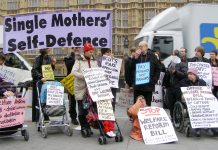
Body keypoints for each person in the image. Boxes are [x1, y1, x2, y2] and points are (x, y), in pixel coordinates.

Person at [176, 67, 206, 137]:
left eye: (191, 74)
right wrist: (182, 94)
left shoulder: (202, 82)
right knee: (195, 109)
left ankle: (214, 128)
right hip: (188, 102)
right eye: (188, 74)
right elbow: (177, 90)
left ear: (195, 75)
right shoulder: (183, 82)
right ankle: (197, 128)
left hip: (201, 101)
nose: (189, 75)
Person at [130, 41, 161, 105]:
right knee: (136, 106)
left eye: (141, 46)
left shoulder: (153, 56)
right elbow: (131, 68)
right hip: (138, 86)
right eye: (139, 46)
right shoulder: (136, 56)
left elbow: (158, 69)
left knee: (147, 106)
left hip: (148, 86)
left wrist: (153, 81)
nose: (139, 48)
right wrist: (135, 58)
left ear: (146, 47)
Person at [31, 48, 56, 122]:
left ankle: (45, 115)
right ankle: (37, 117)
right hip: (39, 81)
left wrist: (53, 65)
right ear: (44, 49)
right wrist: (41, 77)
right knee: (39, 99)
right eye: (48, 48)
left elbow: (49, 70)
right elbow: (34, 70)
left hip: (46, 81)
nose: (50, 49)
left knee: (46, 98)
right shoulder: (38, 58)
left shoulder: (49, 58)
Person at [163, 50, 188, 118]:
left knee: (179, 105)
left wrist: (175, 72)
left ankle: (179, 119)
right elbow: (167, 75)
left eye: (174, 55)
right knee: (170, 104)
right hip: (170, 88)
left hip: (178, 88)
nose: (172, 56)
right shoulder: (170, 64)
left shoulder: (182, 64)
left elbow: (184, 75)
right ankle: (172, 118)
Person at [64, 47, 80, 125]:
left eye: (78, 47)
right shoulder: (68, 57)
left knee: (82, 100)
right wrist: (75, 58)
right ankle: (73, 117)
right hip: (71, 81)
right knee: (72, 101)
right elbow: (69, 66)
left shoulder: (82, 57)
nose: (77, 49)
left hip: (80, 81)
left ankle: (83, 116)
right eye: (75, 48)